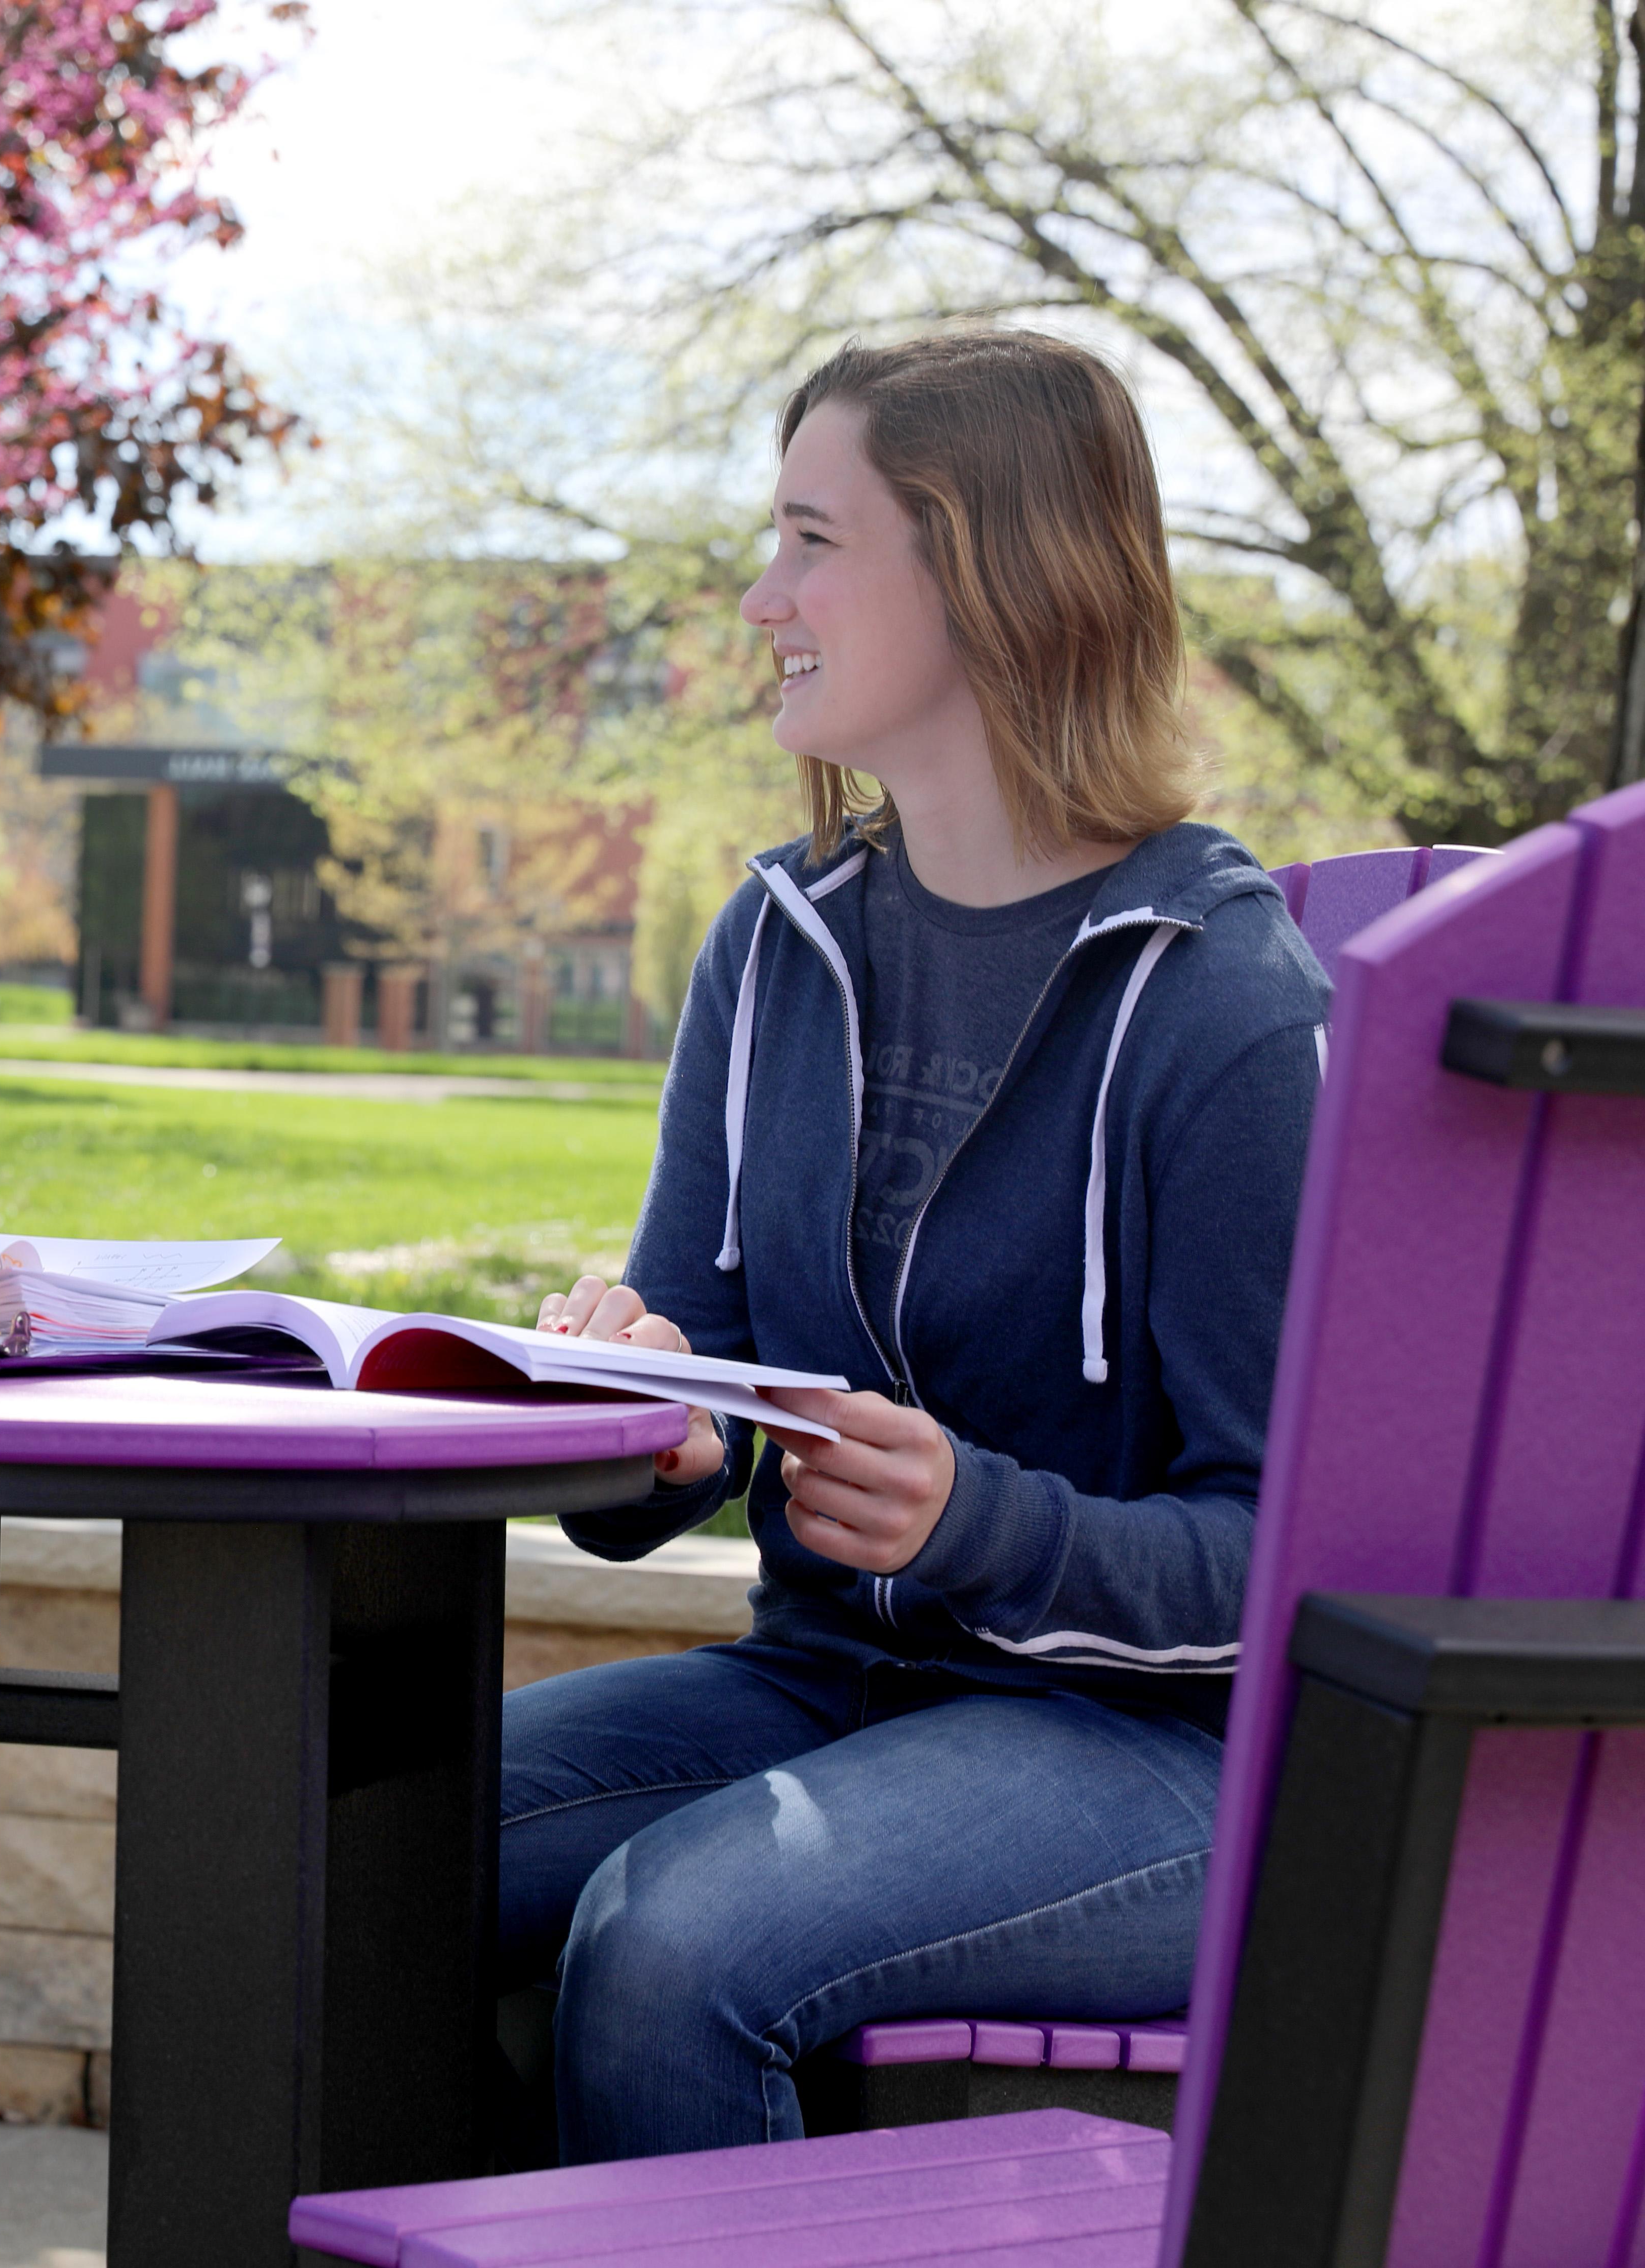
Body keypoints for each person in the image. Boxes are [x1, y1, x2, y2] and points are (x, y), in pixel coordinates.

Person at [496, 328, 1329, 2161]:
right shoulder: (781, 941)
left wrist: (979, 1526)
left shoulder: (1220, 1006)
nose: (757, 595)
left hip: (1149, 1756)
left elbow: (1294, 1564)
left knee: (674, 1943)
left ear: (986, 571)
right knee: (359, 1850)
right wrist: (643, 1409)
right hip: (821, 1674)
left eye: (812, 541)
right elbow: (704, 1366)